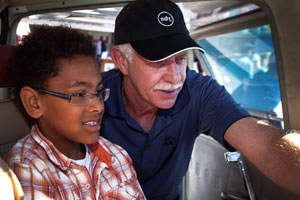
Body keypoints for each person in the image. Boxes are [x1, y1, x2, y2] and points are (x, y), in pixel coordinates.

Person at [100, 0, 300, 199]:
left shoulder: (199, 92)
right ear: (122, 61)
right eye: (158, 61)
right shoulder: (90, 98)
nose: (176, 78)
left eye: (180, 59)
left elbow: (264, 144)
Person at [6, 25, 146, 200]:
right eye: (80, 95)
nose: (99, 106)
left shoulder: (116, 155)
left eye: (99, 92)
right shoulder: (26, 168)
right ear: (34, 103)